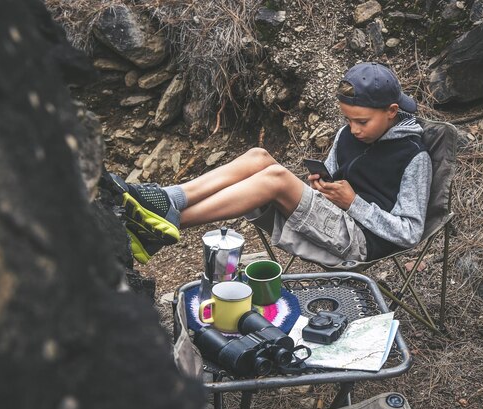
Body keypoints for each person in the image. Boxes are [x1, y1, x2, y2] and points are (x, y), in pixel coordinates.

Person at [110, 62, 432, 267]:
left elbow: (410, 232)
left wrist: (355, 204)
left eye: (361, 121)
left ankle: (166, 223)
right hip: (333, 217)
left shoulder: (413, 157)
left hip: (359, 240)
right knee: (258, 157)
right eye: (347, 120)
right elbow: (333, 175)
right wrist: (323, 184)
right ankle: (169, 200)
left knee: (275, 178)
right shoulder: (349, 135)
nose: (353, 129)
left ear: (391, 111)